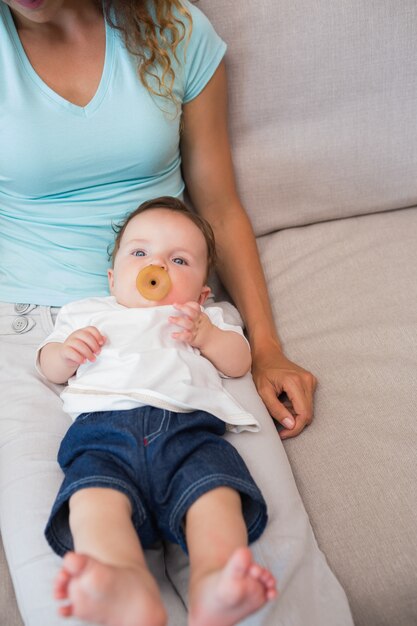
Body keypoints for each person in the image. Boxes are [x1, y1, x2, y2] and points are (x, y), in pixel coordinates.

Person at [0, 1, 316, 624]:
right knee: (72, 574)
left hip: (179, 315)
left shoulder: (174, 27)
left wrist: (267, 347)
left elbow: (219, 205)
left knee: (265, 571)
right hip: (41, 331)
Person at [37, 197, 277, 626]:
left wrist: (206, 336)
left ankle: (216, 580)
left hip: (187, 432)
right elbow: (48, 365)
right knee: (92, 500)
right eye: (140, 253)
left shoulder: (205, 316)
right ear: (113, 279)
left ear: (203, 290)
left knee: (214, 494)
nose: (159, 267)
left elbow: (238, 361)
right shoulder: (88, 313)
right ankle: (123, 582)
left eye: (180, 259)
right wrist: (67, 353)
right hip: (103, 434)